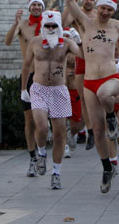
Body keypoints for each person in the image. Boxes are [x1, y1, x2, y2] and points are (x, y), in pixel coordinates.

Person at [66, 0, 119, 194]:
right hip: (89, 81)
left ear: (113, 12)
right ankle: (106, 167)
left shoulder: (118, 26)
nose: (104, 13)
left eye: (109, 10)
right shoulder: (85, 22)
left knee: (104, 94)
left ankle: (112, 116)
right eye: (102, 8)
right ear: (98, 7)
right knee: (99, 131)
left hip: (110, 78)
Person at [21, 11, 83, 189]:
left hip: (58, 90)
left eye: (53, 26)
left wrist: (78, 40)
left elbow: (83, 55)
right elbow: (26, 65)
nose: (50, 29)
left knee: (59, 132)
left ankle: (56, 172)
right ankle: (41, 153)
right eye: (47, 26)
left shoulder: (66, 43)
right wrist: (23, 89)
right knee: (40, 126)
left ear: (59, 27)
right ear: (42, 27)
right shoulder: (35, 42)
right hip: (39, 88)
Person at [4, 0, 44, 176]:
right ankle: (32, 157)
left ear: (42, 8)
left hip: (46, 76)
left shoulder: (48, 25)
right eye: (33, 5)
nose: (36, 7)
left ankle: (45, 148)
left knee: (43, 118)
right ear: (30, 7)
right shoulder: (23, 25)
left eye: (39, 5)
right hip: (29, 76)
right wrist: (15, 23)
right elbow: (7, 41)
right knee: (29, 120)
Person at [62, 0, 98, 150]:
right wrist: (69, 6)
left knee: (99, 95)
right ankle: (90, 130)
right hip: (82, 56)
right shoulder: (77, 14)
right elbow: (62, 23)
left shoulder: (99, 14)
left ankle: (100, 125)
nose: (89, 1)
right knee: (83, 97)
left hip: (99, 57)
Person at [63, 27, 85, 157]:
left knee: (77, 123)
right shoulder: (57, 50)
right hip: (62, 89)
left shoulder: (76, 51)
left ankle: (72, 134)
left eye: (68, 36)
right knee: (62, 120)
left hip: (75, 89)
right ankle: (65, 145)